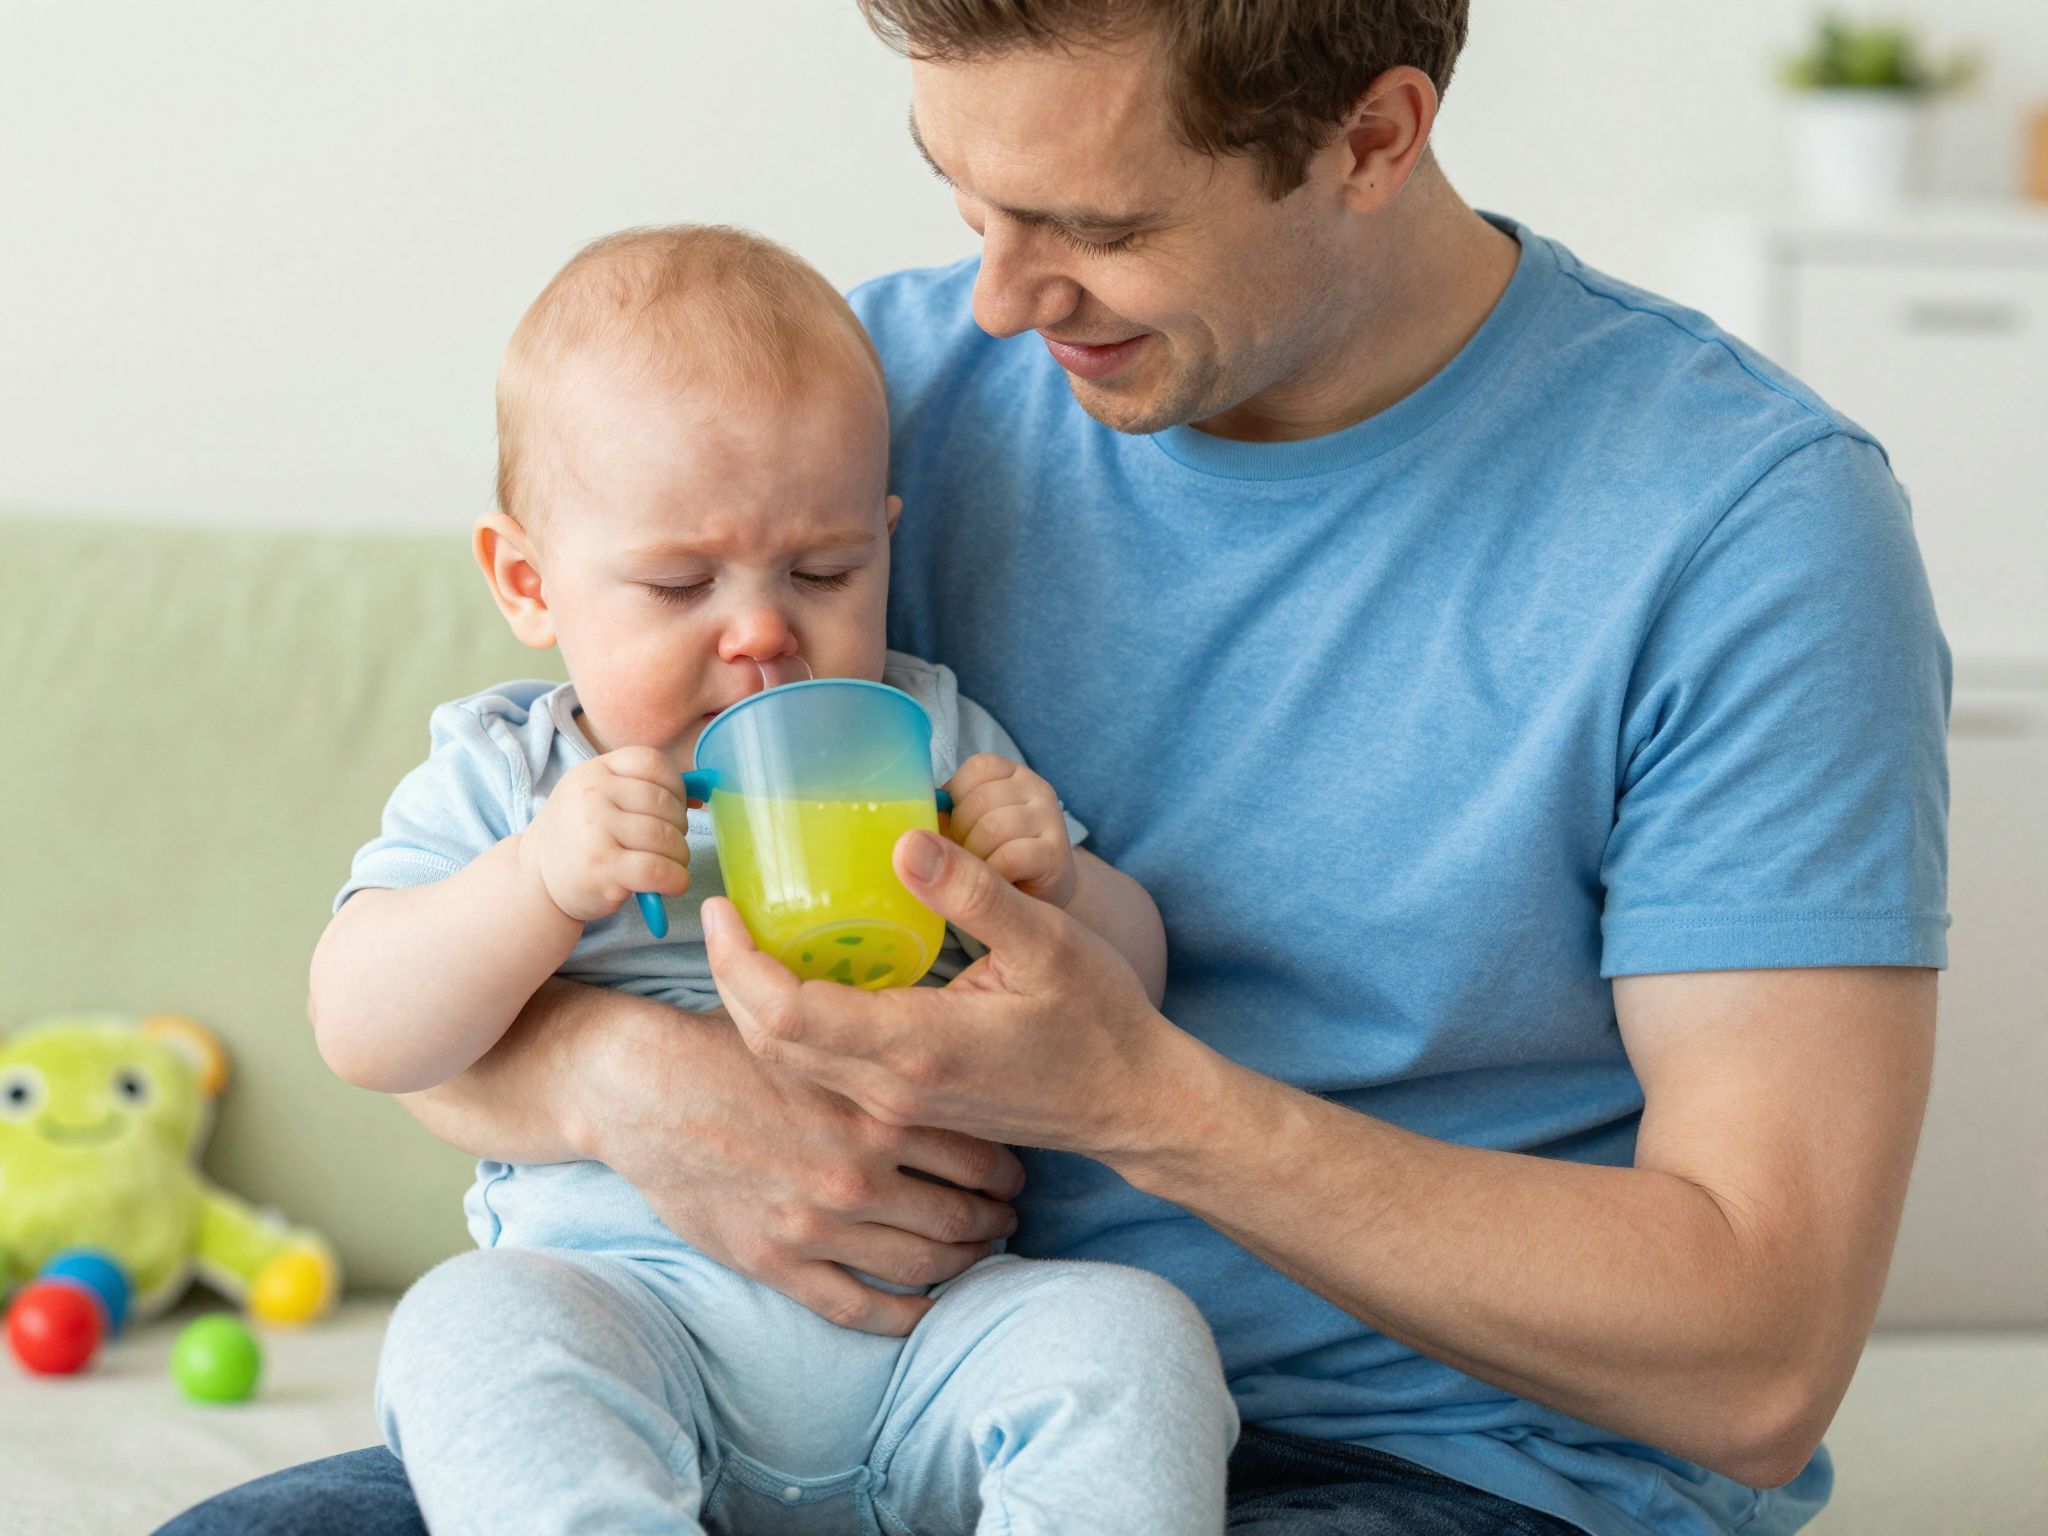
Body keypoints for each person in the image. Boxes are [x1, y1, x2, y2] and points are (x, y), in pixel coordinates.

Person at [160, 2, 1947, 1534]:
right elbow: (443, 976)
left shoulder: (1745, 531)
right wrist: (629, 1086)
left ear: (1375, 134)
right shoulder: (852, 421)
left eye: (1092, 221)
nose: (1002, 299)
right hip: (751, 1377)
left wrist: (1136, 1094)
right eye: (964, 193)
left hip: (1431, 1461)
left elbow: (1759, 1362)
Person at [302, 223, 1238, 1536]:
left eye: (825, 570)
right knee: (470, 1328)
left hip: (933, 1343)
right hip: (627, 1324)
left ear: (886, 541)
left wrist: (1058, 891)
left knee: (1128, 1338)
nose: (760, 633)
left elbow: (1131, 996)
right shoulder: (509, 777)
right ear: (528, 580)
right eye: (679, 584)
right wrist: (537, 883)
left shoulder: (923, 739)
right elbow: (362, 1023)